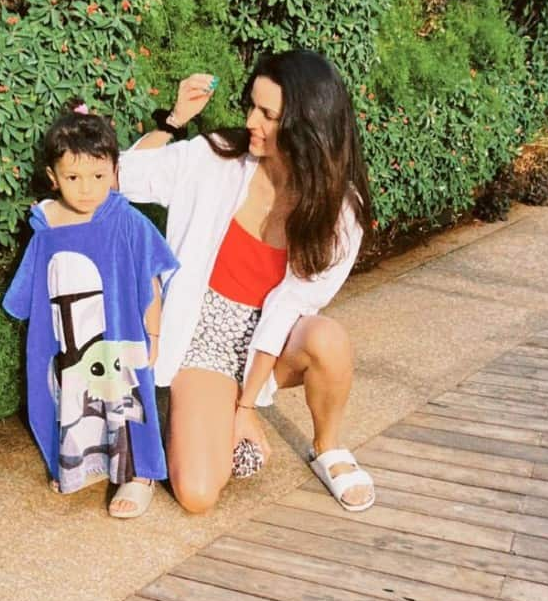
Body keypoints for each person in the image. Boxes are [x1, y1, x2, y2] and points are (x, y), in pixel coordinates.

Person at [117, 50, 375, 514]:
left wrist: (247, 407)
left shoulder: (341, 211)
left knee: (328, 340)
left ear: (306, 127)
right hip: (206, 337)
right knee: (197, 494)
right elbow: (122, 176)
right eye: (251, 106)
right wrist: (175, 121)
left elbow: (289, 308)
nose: (251, 120)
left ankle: (329, 446)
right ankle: (207, 428)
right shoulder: (214, 158)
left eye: (268, 114)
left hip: (272, 340)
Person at [2, 103, 178, 518]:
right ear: (53, 177)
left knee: (126, 399)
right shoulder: (45, 228)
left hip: (118, 334)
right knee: (73, 397)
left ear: (115, 171)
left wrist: (153, 334)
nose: (86, 188)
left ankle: (138, 475)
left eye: (99, 176)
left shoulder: (126, 220)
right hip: (70, 337)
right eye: (73, 177)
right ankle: (82, 463)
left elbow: (150, 277)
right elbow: (31, 294)